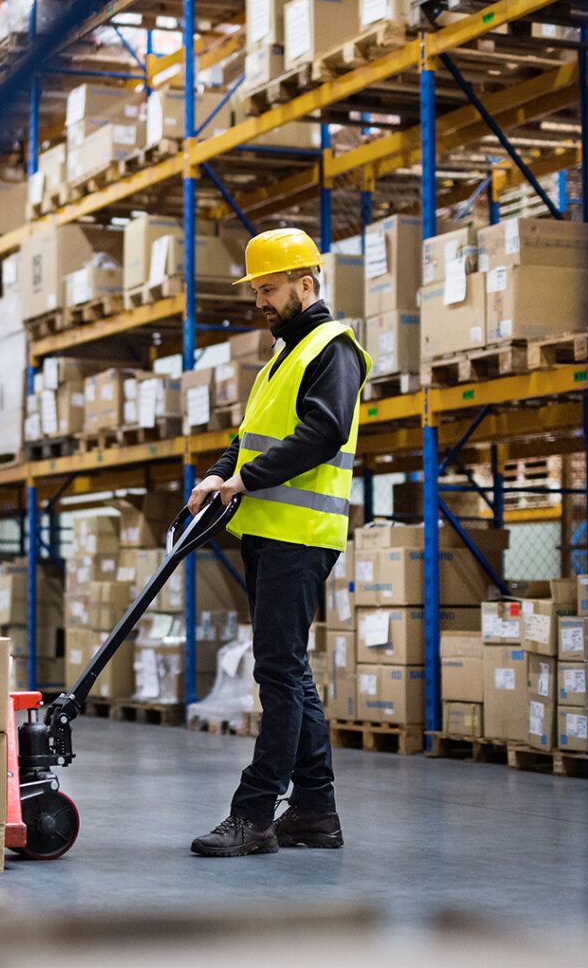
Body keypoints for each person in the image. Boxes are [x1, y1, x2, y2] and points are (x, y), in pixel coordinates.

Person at [186, 227, 372, 857]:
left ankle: (255, 814)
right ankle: (316, 812)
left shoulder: (331, 348)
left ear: (306, 284)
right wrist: (218, 472)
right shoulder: (280, 356)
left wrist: (247, 478)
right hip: (266, 530)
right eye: (256, 290)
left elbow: (323, 432)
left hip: (299, 535)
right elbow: (252, 435)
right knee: (291, 671)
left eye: (270, 288)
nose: (261, 300)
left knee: (277, 674)